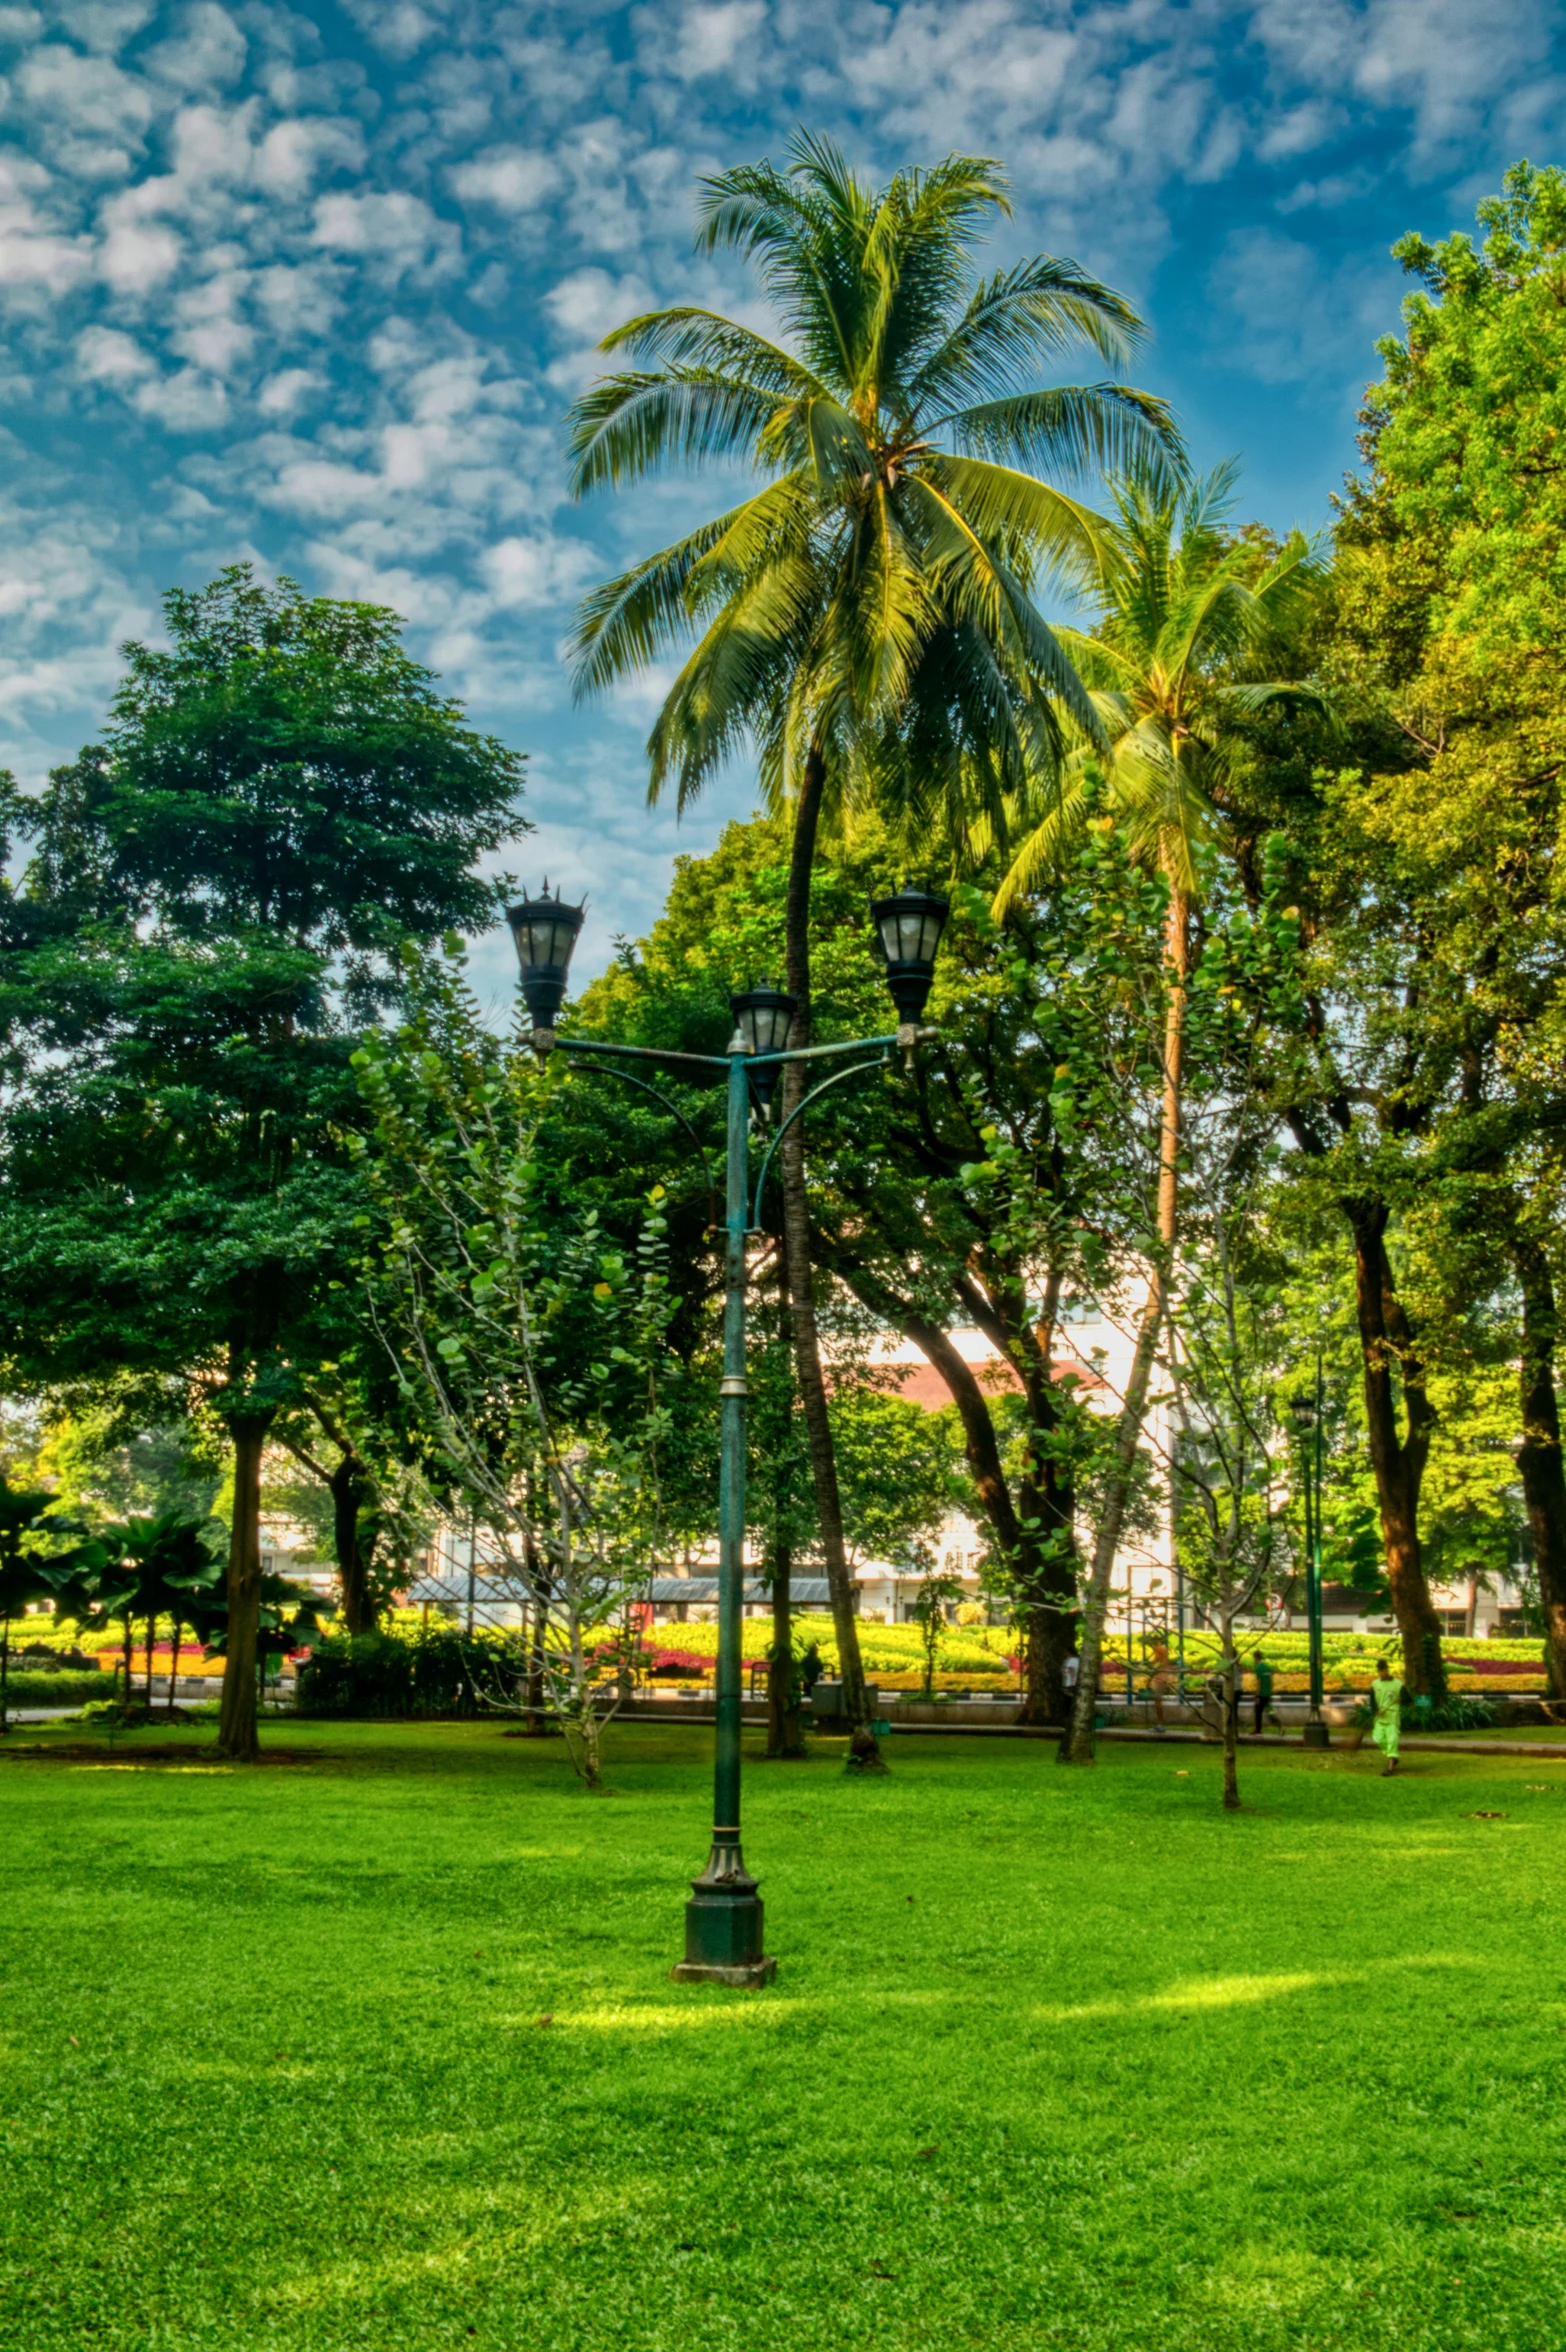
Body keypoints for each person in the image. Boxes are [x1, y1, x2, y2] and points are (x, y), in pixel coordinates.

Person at [1369, 1658, 1405, 1775]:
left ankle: (1390, 1767)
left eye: (1383, 1670)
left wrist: (1400, 1700)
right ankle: (1393, 1758)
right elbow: (1372, 1701)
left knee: (1392, 1740)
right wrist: (1375, 1710)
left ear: (1387, 1670)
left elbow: (1408, 1698)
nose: (1381, 1673)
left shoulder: (1398, 1684)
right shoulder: (1375, 1684)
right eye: (1379, 1671)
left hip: (1392, 1718)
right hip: (1380, 1718)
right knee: (1377, 1738)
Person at [1149, 1638, 1176, 1732]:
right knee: (1157, 1702)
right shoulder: (1163, 1651)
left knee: (1157, 1702)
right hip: (1162, 1678)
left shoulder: (1159, 1650)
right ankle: (1159, 1724)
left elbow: (1156, 1666)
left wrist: (1149, 1680)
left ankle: (1160, 1724)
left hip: (1160, 1679)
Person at [1251, 1649, 1277, 1735]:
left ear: (1255, 1658)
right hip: (1268, 1693)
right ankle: (1279, 1725)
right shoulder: (1268, 1668)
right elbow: (1272, 1682)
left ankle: (1258, 1730)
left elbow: (1259, 1683)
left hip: (1261, 1694)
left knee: (1258, 1712)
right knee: (1269, 1711)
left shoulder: (1258, 1668)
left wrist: (1257, 1695)